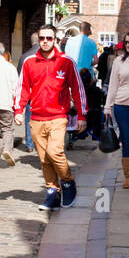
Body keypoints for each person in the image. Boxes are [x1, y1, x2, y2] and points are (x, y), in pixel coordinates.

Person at [15, 27, 86, 211]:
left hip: (58, 116)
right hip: (37, 116)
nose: (45, 41)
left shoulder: (66, 61)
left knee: (55, 152)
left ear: (55, 40)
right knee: (45, 159)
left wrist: (81, 114)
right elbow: (23, 87)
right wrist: (18, 110)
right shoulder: (30, 62)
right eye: (42, 38)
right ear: (38, 39)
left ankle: (68, 183)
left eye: (49, 38)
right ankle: (52, 193)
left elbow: (77, 89)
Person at [104, 29, 129, 188]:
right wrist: (108, 106)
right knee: (127, 140)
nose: (127, 45)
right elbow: (113, 85)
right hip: (122, 104)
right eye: (126, 42)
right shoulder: (119, 61)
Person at [16, 31, 39, 151]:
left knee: (29, 119)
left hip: (29, 92)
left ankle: (30, 144)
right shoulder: (44, 56)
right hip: (41, 93)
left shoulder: (24, 56)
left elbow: (19, 76)